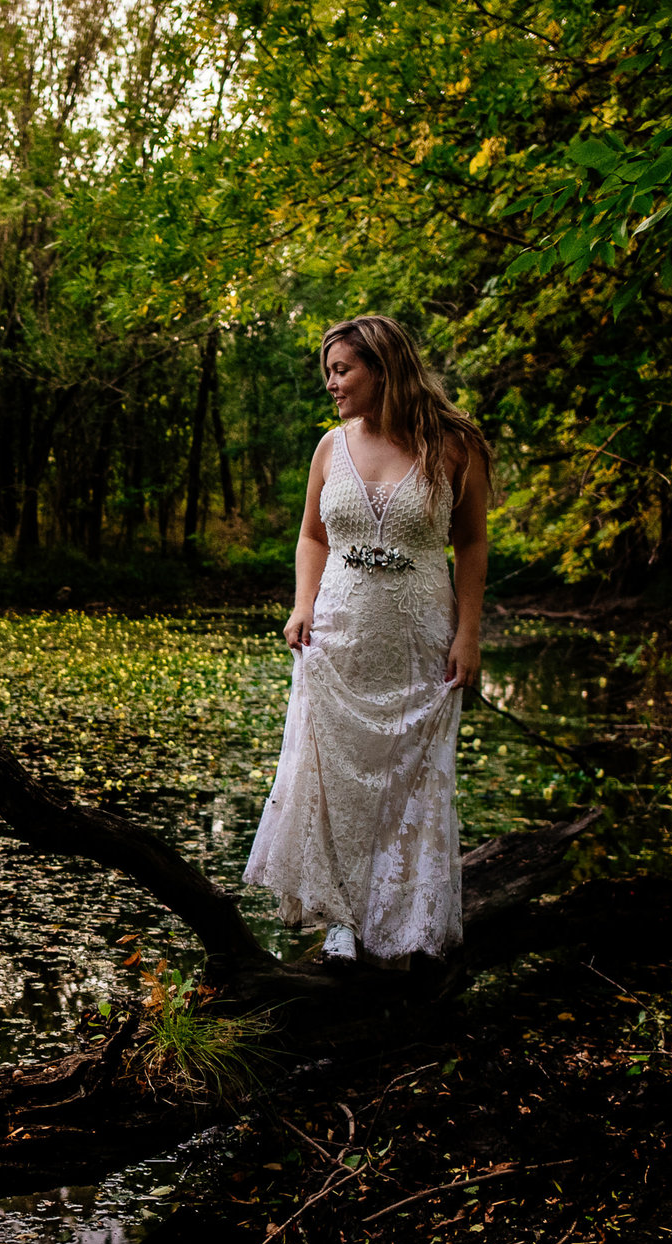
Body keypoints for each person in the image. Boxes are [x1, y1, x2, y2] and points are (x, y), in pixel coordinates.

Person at [242, 314, 493, 967]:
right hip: (339, 637)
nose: (332, 382)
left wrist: (468, 632)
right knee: (335, 783)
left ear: (383, 369)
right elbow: (312, 536)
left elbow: (472, 543)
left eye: (342, 369)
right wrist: (301, 604)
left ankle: (406, 923)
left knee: (412, 780)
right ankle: (341, 922)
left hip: (419, 641)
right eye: (329, 370)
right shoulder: (329, 448)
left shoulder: (455, 446)